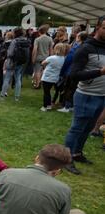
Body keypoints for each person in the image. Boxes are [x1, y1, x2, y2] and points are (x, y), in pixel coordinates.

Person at [64, 16, 105, 175]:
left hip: (102, 95)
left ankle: (77, 153)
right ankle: (66, 159)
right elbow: (74, 74)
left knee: (88, 127)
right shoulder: (85, 48)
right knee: (77, 128)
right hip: (86, 95)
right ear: (98, 28)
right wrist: (99, 72)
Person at [57, 32, 88, 113]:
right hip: (81, 72)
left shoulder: (75, 48)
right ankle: (71, 106)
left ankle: (67, 106)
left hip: (71, 71)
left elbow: (68, 60)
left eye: (77, 36)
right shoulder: (87, 47)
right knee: (75, 89)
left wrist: (62, 72)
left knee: (68, 89)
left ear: (79, 38)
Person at [0, 27, 30, 102]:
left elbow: (10, 53)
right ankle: (17, 97)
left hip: (12, 62)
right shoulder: (26, 41)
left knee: (7, 78)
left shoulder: (14, 41)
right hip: (21, 62)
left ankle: (2, 95)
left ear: (15, 33)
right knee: (18, 79)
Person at [40, 43, 68, 112]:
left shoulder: (51, 58)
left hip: (47, 77)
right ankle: (49, 105)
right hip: (56, 77)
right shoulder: (63, 59)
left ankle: (45, 106)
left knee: (46, 92)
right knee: (49, 92)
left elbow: (43, 63)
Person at [32, 25, 54, 89]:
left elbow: (35, 49)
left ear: (39, 31)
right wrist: (52, 57)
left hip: (38, 57)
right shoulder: (50, 39)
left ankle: (37, 84)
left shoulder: (37, 39)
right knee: (42, 71)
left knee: (37, 71)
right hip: (46, 57)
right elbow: (51, 49)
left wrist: (33, 57)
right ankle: (41, 81)